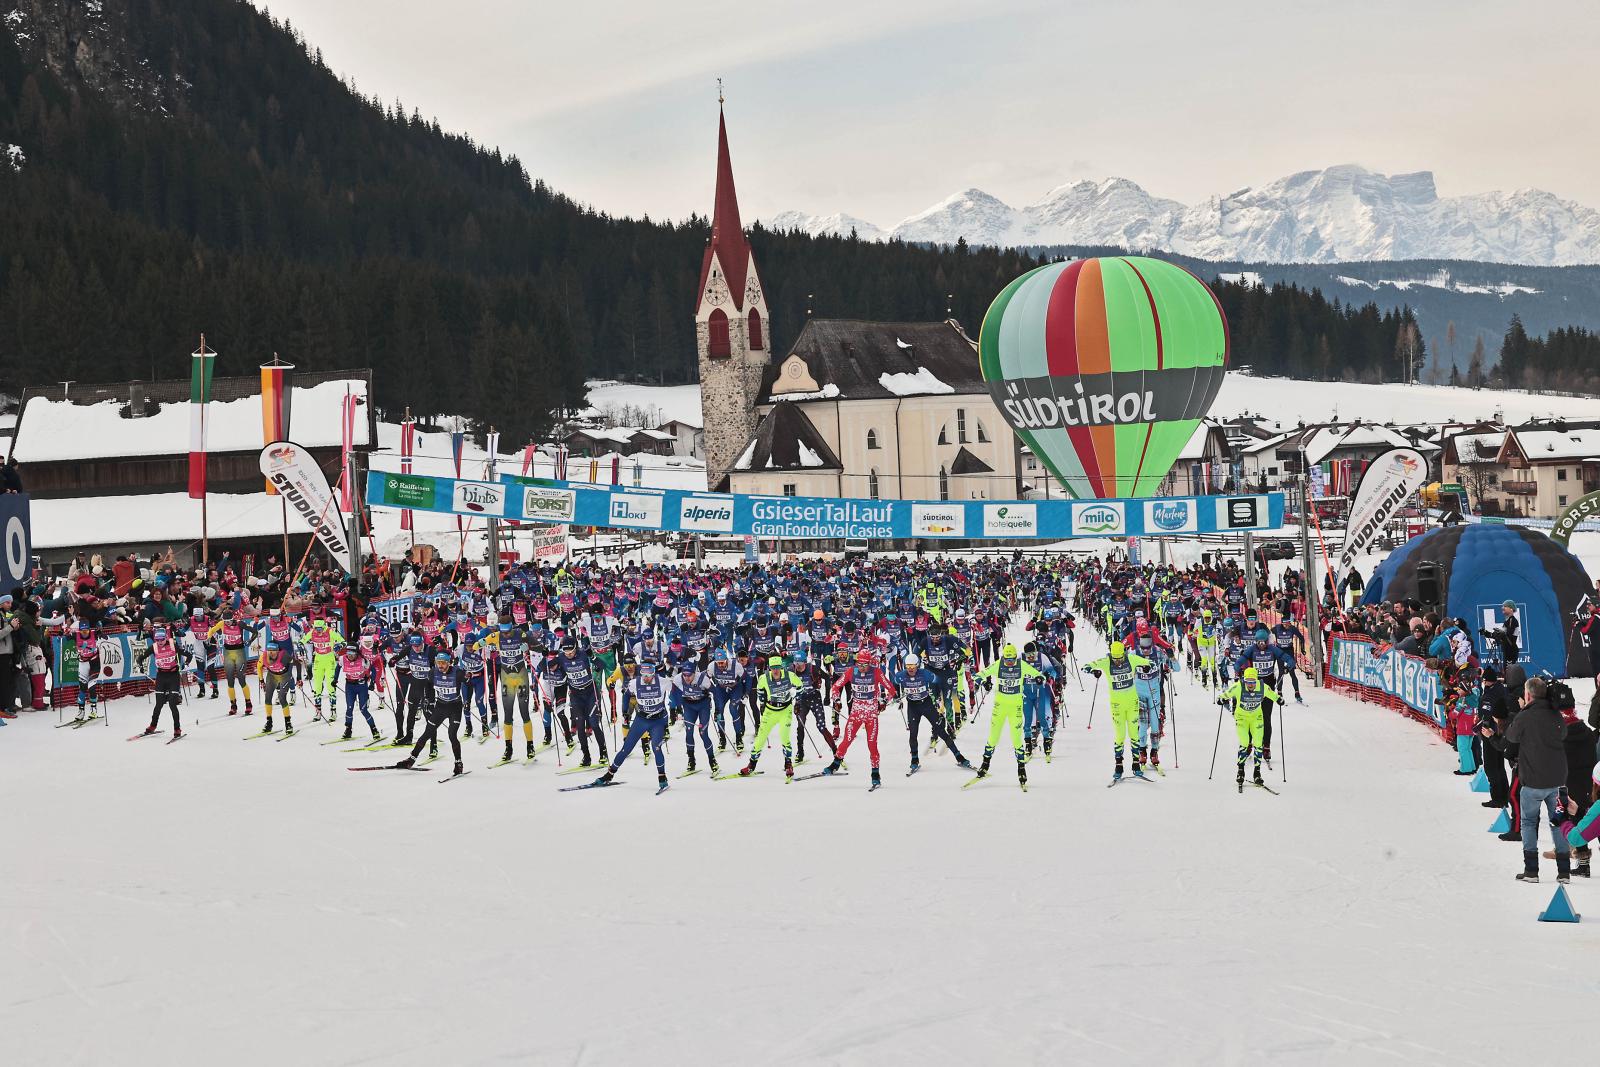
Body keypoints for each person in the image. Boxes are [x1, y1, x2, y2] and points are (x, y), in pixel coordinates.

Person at [1483, 677, 1571, 883]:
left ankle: (1532, 871)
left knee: (1529, 823)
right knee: (1559, 822)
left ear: (1528, 694)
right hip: (1558, 780)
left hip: (1532, 781)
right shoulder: (1555, 713)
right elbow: (1563, 733)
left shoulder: (1525, 716)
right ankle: (1564, 871)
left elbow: (1511, 738)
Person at [591, 660, 671, 792]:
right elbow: (626, 695)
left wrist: (675, 708)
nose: (646, 678)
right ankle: (609, 775)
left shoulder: (663, 682)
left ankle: (662, 778)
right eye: (643, 675)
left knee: (656, 747)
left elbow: (678, 691)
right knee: (626, 748)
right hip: (641, 719)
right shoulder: (635, 683)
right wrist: (625, 713)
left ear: (654, 673)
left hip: (657, 721)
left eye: (649, 675)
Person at [973, 642, 1042, 788]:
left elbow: (1037, 674)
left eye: (1012, 660)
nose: (1009, 663)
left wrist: (1039, 678)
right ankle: (985, 765)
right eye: (1007, 660)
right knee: (993, 736)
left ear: (1016, 658)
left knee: (1016, 738)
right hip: (1000, 707)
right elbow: (980, 674)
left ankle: (1021, 769)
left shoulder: (1021, 665)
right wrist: (982, 681)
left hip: (1015, 707)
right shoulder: (998, 664)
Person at [1083, 641, 1153, 782]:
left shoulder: (1131, 659)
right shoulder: (1106, 661)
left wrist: (1147, 667)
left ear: (1124, 653)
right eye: (1115, 659)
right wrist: (1093, 671)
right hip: (1117, 705)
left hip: (1132, 703)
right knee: (1120, 735)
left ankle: (1136, 764)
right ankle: (1119, 765)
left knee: (1134, 734)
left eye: (1120, 658)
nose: (1118, 662)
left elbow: (1149, 662)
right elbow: (1085, 667)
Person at [892, 651, 970, 773]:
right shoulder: (901, 675)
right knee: (913, 733)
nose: (910, 669)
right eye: (908, 666)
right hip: (912, 706)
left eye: (913, 666)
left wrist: (938, 695)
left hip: (926, 704)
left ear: (918, 665)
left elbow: (937, 682)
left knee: (941, 731)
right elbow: (895, 682)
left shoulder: (925, 674)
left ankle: (959, 756)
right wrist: (895, 694)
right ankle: (914, 760)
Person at [397, 651, 465, 778]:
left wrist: (467, 699)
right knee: (427, 732)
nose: (440, 666)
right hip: (440, 706)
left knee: (452, 734)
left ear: (449, 663)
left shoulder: (458, 672)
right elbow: (428, 685)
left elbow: (468, 683)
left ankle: (458, 762)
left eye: (443, 663)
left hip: (455, 707)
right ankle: (411, 759)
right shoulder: (433, 672)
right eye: (438, 663)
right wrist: (428, 699)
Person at [735, 656, 798, 781]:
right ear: (769, 668)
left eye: (777, 668)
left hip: (785, 710)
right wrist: (762, 704)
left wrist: (798, 700)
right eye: (772, 668)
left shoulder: (789, 675)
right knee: (760, 739)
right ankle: (751, 765)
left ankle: (788, 764)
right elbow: (760, 691)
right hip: (770, 711)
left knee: (784, 737)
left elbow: (800, 686)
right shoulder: (764, 678)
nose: (775, 671)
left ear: (781, 667)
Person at [1217, 667, 1277, 790]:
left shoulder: (1263, 687)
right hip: (1242, 718)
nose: (1250, 685)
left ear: (1256, 681)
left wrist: (1279, 700)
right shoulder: (1239, 686)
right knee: (1244, 742)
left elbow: (1272, 695)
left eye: (1252, 682)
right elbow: (1226, 694)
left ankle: (1257, 772)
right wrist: (1221, 699)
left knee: (1259, 743)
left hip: (1257, 718)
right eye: (1248, 682)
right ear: (1244, 681)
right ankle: (1241, 770)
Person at [139, 626, 191, 738]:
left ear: (166, 638)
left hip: (173, 676)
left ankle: (177, 729)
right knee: (158, 704)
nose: (159, 642)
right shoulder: (154, 647)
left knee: (173, 704)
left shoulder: (172, 645)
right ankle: (152, 726)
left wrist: (186, 664)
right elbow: (140, 658)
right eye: (157, 640)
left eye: (161, 639)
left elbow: (189, 655)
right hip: (161, 676)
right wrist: (140, 666)